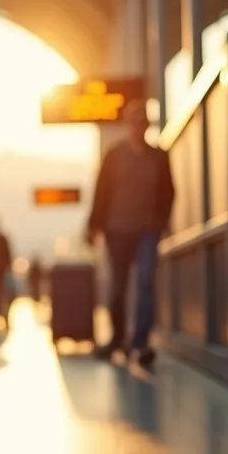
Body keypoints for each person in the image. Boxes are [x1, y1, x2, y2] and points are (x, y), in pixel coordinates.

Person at [85, 100, 173, 368]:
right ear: (126, 124)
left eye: (142, 121)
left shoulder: (159, 156)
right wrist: (94, 224)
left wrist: (161, 222)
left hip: (147, 229)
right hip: (117, 229)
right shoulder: (114, 155)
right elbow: (102, 191)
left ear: (147, 124)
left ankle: (140, 342)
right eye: (133, 121)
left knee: (146, 281)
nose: (138, 126)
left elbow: (169, 192)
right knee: (119, 285)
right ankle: (117, 339)